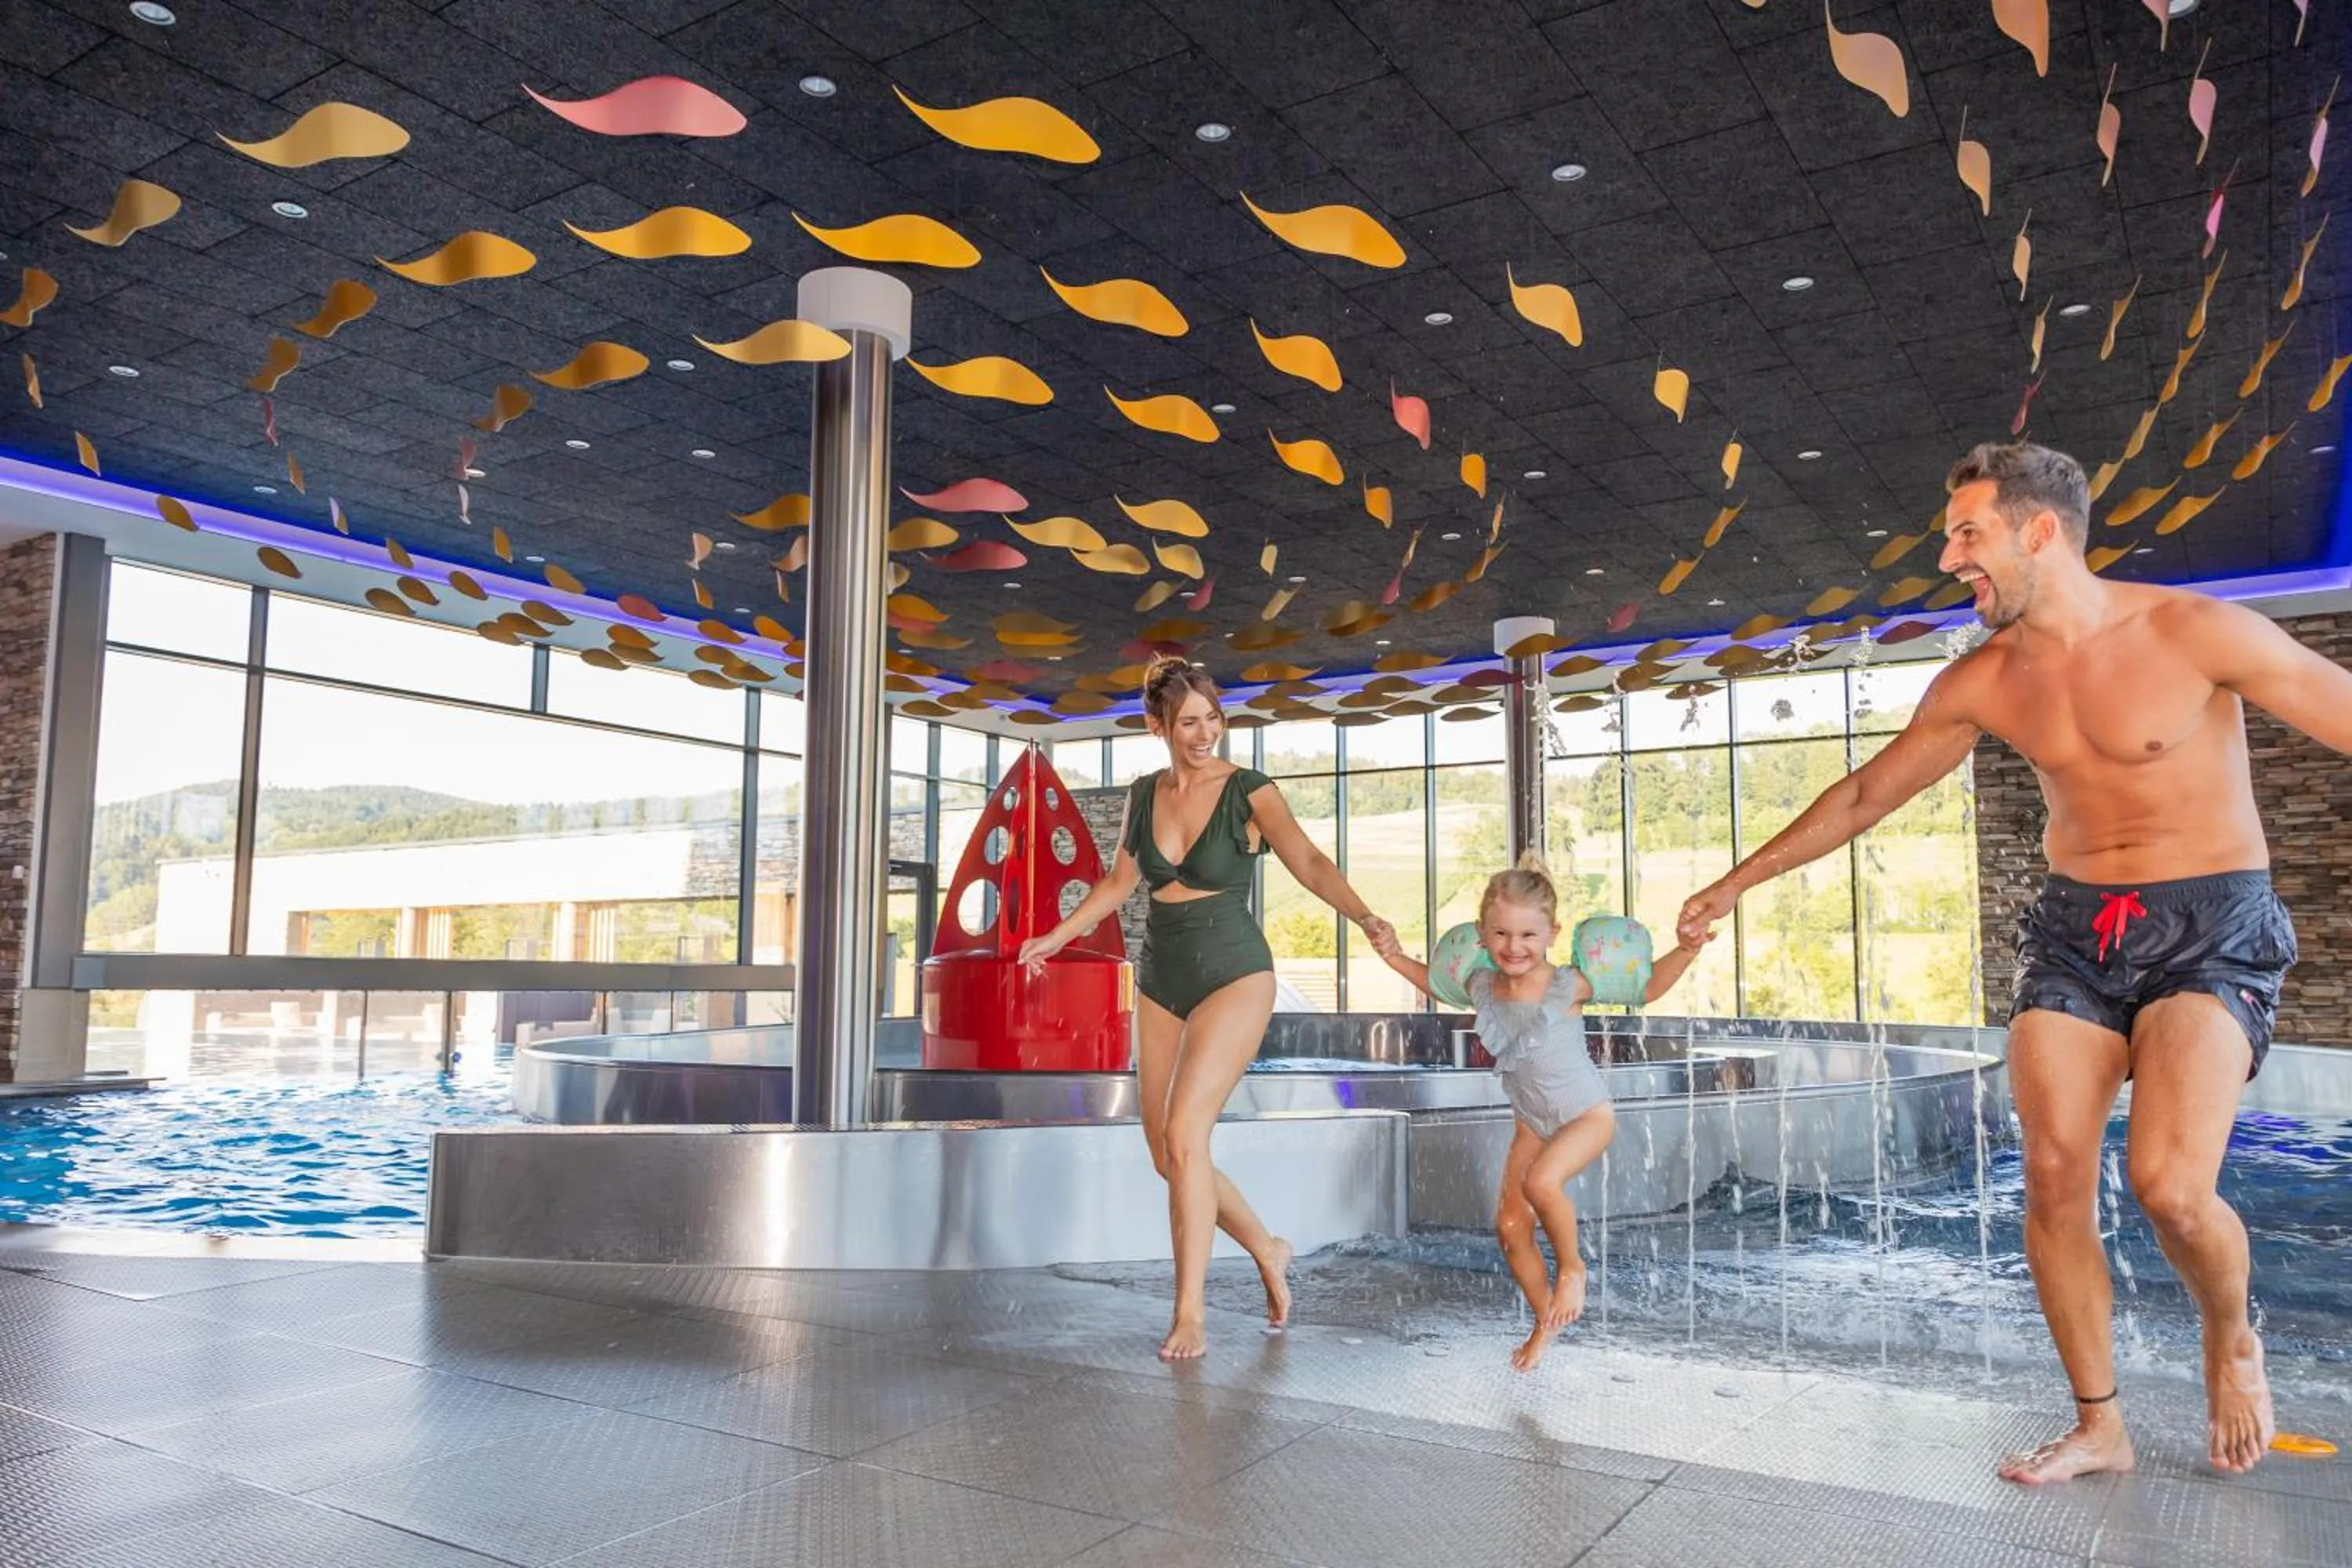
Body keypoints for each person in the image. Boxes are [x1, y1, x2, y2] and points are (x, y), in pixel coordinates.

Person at [1677, 440, 2352, 1483]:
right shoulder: (1983, 680)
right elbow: (1866, 794)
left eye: (1968, 534)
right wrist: (1736, 882)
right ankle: (2100, 1424)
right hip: (2077, 933)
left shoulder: (2193, 631)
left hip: (2212, 923)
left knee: (2171, 1186)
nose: (1950, 559)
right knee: (2048, 1177)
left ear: (2042, 531)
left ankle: (2230, 1336)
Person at [1019, 658, 1397, 1360]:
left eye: (1213, 719)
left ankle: (1190, 1312)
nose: (1205, 733)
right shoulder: (1143, 794)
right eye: (1188, 721)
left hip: (1234, 971)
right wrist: (1057, 936)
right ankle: (1268, 1245)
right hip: (1161, 976)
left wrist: (1365, 917)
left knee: (1189, 1134)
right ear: (1156, 726)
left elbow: (1309, 862)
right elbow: (1117, 884)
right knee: (1167, 1153)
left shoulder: (1250, 792)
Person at [1374, 856, 1706, 1370]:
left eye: (1528, 935)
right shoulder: (1483, 985)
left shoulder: (1566, 984)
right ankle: (1544, 1321)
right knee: (1509, 1228)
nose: (1514, 946)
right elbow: (1436, 984)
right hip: (1532, 1122)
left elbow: (1646, 987)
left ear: (1551, 933)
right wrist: (1394, 955)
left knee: (1542, 1185)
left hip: (1586, 1116)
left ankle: (1573, 1268)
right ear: (1483, 934)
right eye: (1501, 933)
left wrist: (1685, 949)